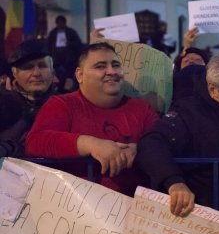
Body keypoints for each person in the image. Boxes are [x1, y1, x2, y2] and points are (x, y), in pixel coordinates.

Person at [24, 43, 175, 211]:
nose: (111, 71)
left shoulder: (142, 109)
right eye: (100, 66)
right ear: (80, 75)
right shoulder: (62, 105)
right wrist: (91, 145)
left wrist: (140, 150)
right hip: (75, 214)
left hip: (135, 215)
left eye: (115, 65)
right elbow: (35, 141)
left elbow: (164, 143)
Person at [135, 51, 219, 228]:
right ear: (213, 90)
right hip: (205, 222)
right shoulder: (187, 113)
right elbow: (152, 143)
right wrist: (174, 182)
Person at [0, 39, 58, 157]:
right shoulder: (3, 103)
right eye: (28, 67)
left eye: (43, 66)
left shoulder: (67, 104)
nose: (36, 73)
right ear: (15, 74)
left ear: (52, 71)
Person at [47, 15, 83, 80]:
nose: (60, 24)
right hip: (56, 60)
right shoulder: (53, 33)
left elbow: (78, 44)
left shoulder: (71, 32)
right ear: (56, 23)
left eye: (61, 23)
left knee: (69, 78)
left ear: (64, 23)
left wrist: (70, 44)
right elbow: (48, 45)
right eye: (59, 23)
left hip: (69, 60)